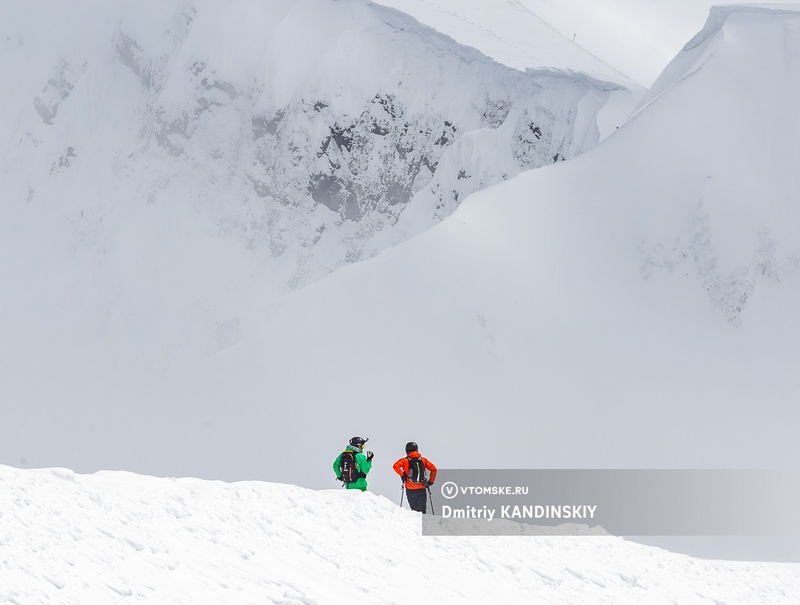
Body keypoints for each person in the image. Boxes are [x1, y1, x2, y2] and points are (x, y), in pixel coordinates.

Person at [393, 441, 437, 513]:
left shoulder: (405, 460)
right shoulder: (423, 460)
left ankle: (415, 523)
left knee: (414, 511)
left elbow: (395, 466)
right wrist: (430, 481)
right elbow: (434, 469)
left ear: (407, 451)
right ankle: (424, 522)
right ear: (417, 449)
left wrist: (402, 474)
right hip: (421, 488)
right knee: (422, 510)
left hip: (410, 489)